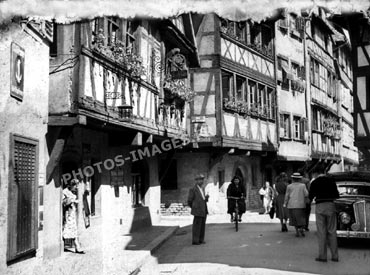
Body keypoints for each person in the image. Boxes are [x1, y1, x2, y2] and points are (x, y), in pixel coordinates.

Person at [309, 174, 339, 262]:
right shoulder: (331, 181)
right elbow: (336, 195)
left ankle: (322, 256)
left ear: (316, 173)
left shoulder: (315, 182)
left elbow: (310, 197)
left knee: (321, 231)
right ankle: (335, 256)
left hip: (320, 205)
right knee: (332, 230)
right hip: (330, 205)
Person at [62, 178, 85, 254]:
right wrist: (71, 200)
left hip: (72, 212)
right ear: (71, 185)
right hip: (67, 213)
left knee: (72, 229)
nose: (76, 188)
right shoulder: (65, 191)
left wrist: (75, 202)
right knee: (68, 229)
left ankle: (76, 246)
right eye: (75, 186)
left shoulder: (72, 192)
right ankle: (77, 246)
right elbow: (63, 203)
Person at [283, 172, 308, 237]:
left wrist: (285, 203)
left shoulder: (289, 186)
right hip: (301, 205)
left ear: (293, 179)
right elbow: (306, 194)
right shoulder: (303, 185)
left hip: (291, 205)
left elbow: (287, 196)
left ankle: (297, 231)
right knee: (301, 218)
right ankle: (301, 228)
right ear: (299, 179)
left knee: (294, 219)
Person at [187, 173, 209, 245]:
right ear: (196, 181)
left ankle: (201, 239)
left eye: (202, 179)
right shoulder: (193, 189)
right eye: (199, 180)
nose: (201, 181)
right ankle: (195, 240)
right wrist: (194, 207)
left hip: (203, 209)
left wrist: (206, 198)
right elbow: (189, 200)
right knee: (197, 226)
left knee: (202, 225)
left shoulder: (202, 188)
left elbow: (203, 199)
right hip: (197, 210)